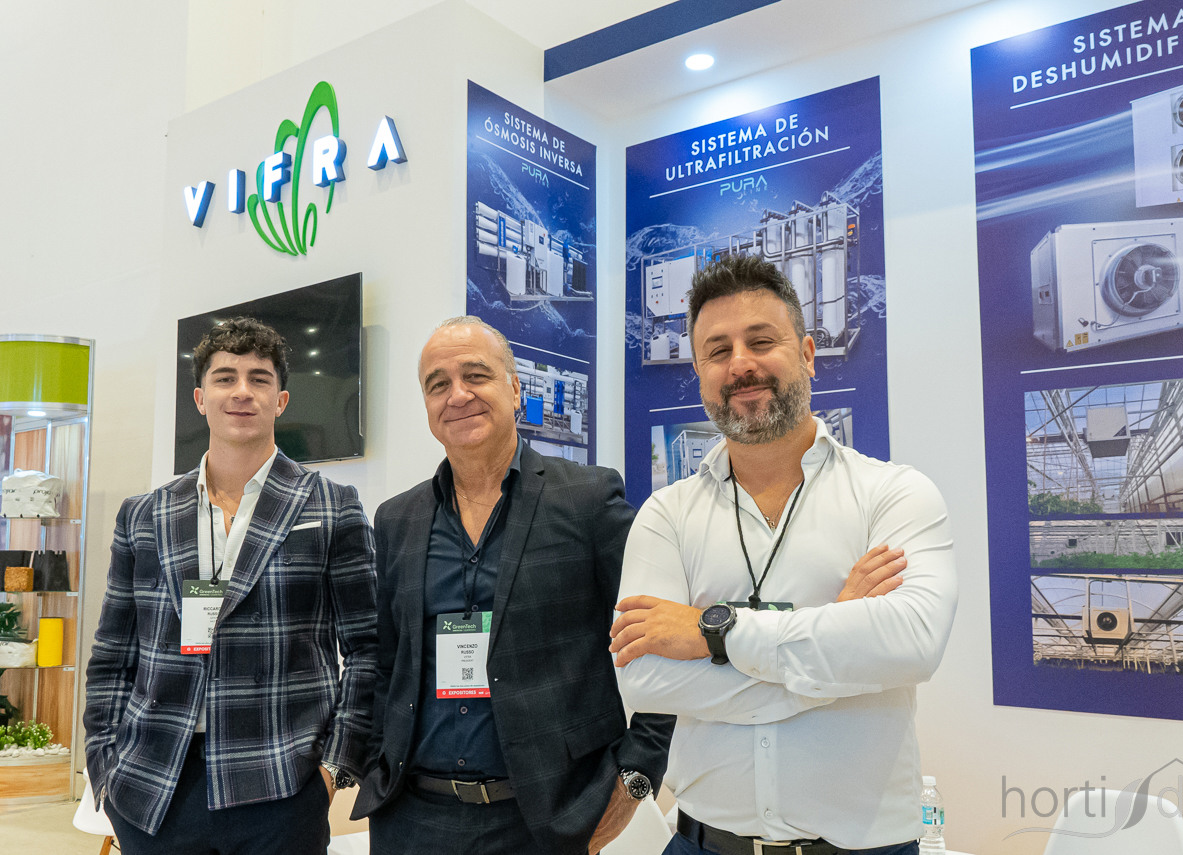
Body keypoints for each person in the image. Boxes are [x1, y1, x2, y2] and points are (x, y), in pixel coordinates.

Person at [610, 254, 958, 855]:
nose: (740, 364)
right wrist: (832, 652)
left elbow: (911, 642)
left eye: (761, 341)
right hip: (703, 845)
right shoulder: (666, 515)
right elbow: (643, 679)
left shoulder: (894, 494)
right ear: (699, 373)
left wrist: (712, 632)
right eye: (718, 351)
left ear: (807, 354)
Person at [352, 316, 674, 855]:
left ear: (515, 388)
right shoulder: (396, 519)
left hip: (546, 820)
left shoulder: (588, 500)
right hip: (412, 820)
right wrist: (371, 760)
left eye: (476, 375)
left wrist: (635, 778)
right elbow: (388, 662)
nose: (458, 395)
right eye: (438, 384)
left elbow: (661, 644)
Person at [84, 317, 378, 854]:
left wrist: (334, 768)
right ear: (200, 399)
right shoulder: (144, 514)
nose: (242, 391)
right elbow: (113, 654)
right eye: (225, 378)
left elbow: (368, 648)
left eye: (259, 379)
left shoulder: (333, 506)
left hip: (283, 784)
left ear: (281, 400)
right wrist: (105, 763)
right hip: (153, 785)